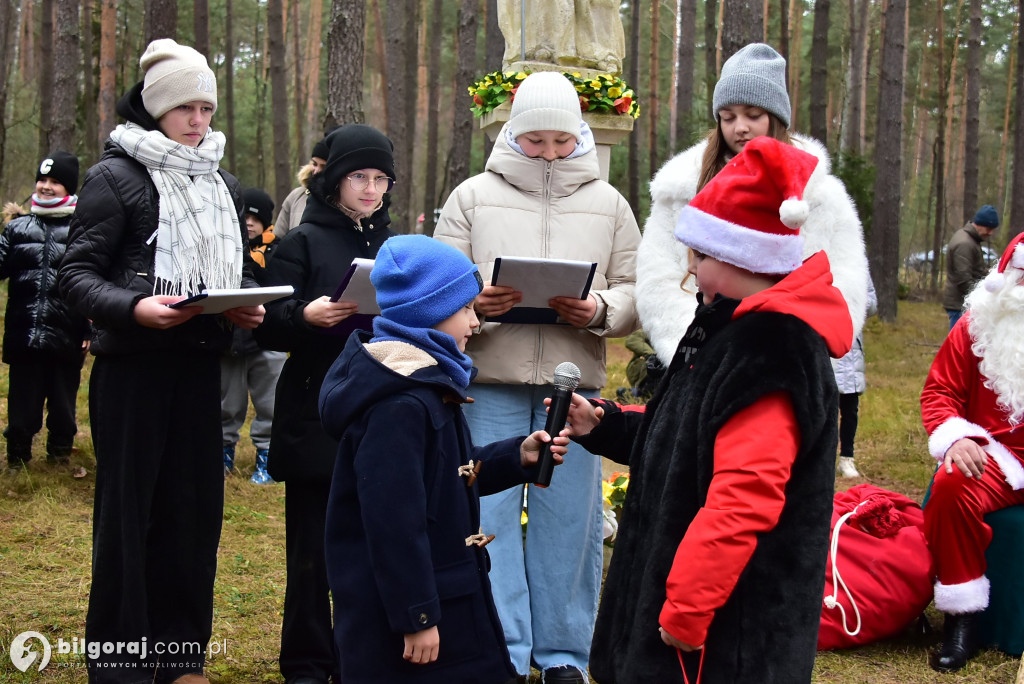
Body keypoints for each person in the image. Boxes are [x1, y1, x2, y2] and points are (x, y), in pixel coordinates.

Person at [562, 137, 852, 683]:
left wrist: (689, 607)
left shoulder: (772, 350)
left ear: (742, 255)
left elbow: (743, 497)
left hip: (727, 634)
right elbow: (690, 434)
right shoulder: (722, 326)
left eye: (700, 254)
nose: (690, 269)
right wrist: (607, 425)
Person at [59, 39, 262, 684]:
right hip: (133, 370)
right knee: (129, 517)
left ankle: (180, 657)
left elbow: (228, 271)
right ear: (154, 110)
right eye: (184, 109)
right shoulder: (113, 176)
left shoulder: (222, 182)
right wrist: (134, 308)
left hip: (199, 366)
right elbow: (75, 276)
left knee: (193, 516)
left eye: (207, 108)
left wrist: (243, 304)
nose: (198, 121)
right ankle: (120, 663)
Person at [434, 71, 640, 683]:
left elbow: (636, 289)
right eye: (534, 140)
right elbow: (438, 286)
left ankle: (564, 654)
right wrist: (476, 302)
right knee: (486, 515)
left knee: (570, 522)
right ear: (511, 135)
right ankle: (499, 646)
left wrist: (599, 309)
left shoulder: (610, 203)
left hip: (572, 391)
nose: (548, 152)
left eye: (560, 140)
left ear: (580, 136)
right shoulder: (471, 197)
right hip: (486, 384)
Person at [319, 234, 571, 684]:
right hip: (409, 614)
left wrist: (516, 456)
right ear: (428, 312)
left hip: (446, 595)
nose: (476, 322)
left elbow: (443, 475)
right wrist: (416, 616)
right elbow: (393, 520)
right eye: (466, 309)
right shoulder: (400, 403)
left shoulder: (426, 383)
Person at [255, 123, 397, 684]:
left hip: (381, 406)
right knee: (312, 552)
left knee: (377, 543)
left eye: (381, 178)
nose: (371, 189)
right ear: (333, 179)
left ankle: (364, 659)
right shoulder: (300, 243)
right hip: (316, 409)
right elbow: (265, 323)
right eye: (359, 176)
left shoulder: (394, 248)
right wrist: (304, 316)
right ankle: (308, 664)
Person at [635, 42, 868, 367]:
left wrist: (789, 351)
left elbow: (845, 281)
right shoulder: (680, 189)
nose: (740, 127)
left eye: (753, 115)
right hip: (698, 358)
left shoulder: (821, 195)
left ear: (777, 118)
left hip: (789, 360)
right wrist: (700, 350)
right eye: (728, 117)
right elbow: (658, 278)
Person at [920, 231, 1024, 673]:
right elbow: (940, 392)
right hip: (997, 456)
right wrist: (957, 438)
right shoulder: (975, 325)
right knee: (951, 485)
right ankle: (962, 617)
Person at [0, 151, 90, 470]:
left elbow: (92, 282)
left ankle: (59, 453)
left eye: (55, 181)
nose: (46, 186)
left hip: (67, 332)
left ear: (69, 188)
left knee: (63, 400)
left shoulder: (82, 230)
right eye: (42, 180)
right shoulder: (17, 228)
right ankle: (17, 456)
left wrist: (90, 327)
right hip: (24, 331)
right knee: (22, 399)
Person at [221, 188, 286, 483]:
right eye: (244, 216)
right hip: (230, 339)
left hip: (267, 337)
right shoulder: (224, 247)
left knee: (270, 401)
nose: (248, 223)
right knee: (227, 402)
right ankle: (223, 452)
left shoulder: (278, 251)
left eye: (255, 218)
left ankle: (267, 456)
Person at [833, 276, 879, 478]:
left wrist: (855, 300)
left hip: (850, 346)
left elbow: (872, 303)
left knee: (850, 408)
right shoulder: (817, 260)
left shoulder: (858, 266)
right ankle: (822, 460)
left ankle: (847, 458)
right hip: (824, 340)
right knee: (824, 409)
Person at [942, 204, 999, 330]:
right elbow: (963, 279)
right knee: (959, 341)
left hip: (963, 303)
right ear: (980, 224)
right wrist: (980, 298)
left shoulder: (970, 240)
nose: (990, 233)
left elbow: (974, 270)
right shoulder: (965, 243)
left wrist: (989, 274)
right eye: (989, 228)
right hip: (960, 305)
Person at [274, 138, 328, 239]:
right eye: (314, 164)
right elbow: (277, 239)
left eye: (323, 166)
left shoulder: (346, 201)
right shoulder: (296, 196)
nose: (316, 171)